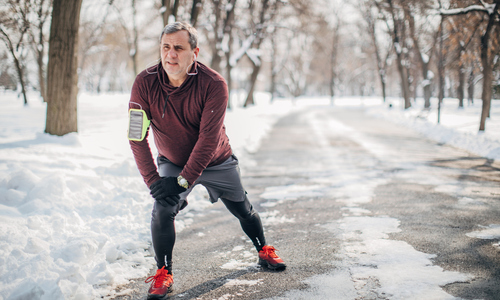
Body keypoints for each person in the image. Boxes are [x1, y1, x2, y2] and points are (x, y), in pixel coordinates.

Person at [128, 21, 286, 300]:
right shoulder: (144, 82)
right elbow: (136, 136)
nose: (170, 54)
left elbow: (208, 140)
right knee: (162, 210)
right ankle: (164, 273)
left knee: (243, 209)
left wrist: (183, 181)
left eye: (179, 47)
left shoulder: (214, 84)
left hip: (217, 161)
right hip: (173, 160)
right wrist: (155, 181)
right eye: (166, 47)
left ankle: (263, 250)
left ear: (194, 52)